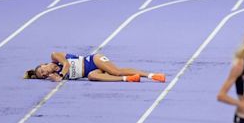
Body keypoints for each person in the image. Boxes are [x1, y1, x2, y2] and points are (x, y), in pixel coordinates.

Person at [24, 52, 165, 82]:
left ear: (43, 65)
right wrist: (56, 79)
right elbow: (59, 81)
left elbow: (66, 64)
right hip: (91, 71)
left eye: (42, 70)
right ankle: (128, 78)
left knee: (115, 71)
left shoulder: (55, 57)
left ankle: (151, 75)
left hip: (93, 60)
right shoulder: (54, 76)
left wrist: (60, 75)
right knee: (92, 77)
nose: (45, 73)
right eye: (43, 75)